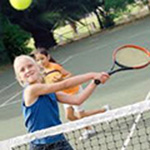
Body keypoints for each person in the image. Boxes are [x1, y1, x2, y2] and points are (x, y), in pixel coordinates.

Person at [13, 55, 109, 150]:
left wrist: (95, 82)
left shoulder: (49, 91)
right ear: (20, 78)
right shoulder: (31, 90)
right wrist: (92, 75)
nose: (27, 70)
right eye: (22, 70)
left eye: (30, 66)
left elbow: (78, 100)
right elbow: (64, 84)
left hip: (59, 140)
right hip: (41, 145)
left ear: (38, 67)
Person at [31, 48, 111, 140]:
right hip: (64, 94)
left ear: (48, 57)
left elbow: (69, 75)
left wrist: (62, 79)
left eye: (42, 58)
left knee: (81, 115)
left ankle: (101, 114)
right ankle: (93, 124)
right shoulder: (42, 72)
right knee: (70, 116)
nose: (40, 62)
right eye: (37, 60)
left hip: (74, 91)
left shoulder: (55, 67)